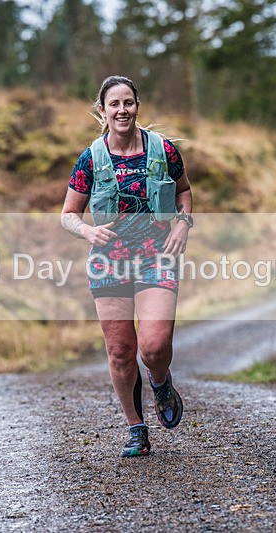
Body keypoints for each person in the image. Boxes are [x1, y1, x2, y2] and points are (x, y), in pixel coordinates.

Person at [60, 75, 193, 457]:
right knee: (120, 352)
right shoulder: (91, 158)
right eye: (114, 104)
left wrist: (183, 223)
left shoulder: (163, 150)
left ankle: (160, 379)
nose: (122, 110)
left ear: (137, 106)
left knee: (153, 346)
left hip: (156, 257)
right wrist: (86, 231)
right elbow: (68, 214)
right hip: (109, 263)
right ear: (102, 110)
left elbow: (183, 191)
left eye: (128, 103)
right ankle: (137, 428)